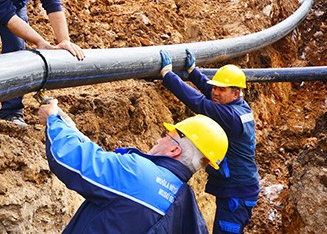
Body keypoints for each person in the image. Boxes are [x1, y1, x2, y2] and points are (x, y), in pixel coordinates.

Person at [38, 99, 229, 233]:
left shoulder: (136, 174)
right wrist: (72, 130)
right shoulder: (187, 209)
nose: (158, 139)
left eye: (167, 136)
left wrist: (53, 120)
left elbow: (70, 159)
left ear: (174, 150)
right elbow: (103, 160)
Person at [159, 49, 260, 234]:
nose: (215, 92)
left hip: (236, 193)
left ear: (236, 93)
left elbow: (199, 102)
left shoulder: (230, 117)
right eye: (215, 87)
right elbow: (210, 93)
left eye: (222, 89)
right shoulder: (238, 106)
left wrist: (167, 76)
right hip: (240, 187)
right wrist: (193, 72)